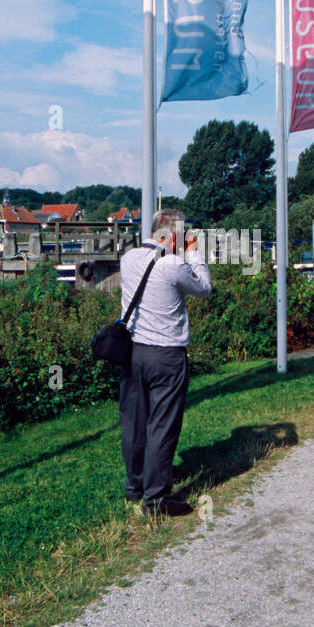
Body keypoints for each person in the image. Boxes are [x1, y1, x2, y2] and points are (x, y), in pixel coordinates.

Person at [118, 209, 211, 517]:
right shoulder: (173, 264)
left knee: (134, 422)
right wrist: (193, 253)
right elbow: (205, 289)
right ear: (174, 234)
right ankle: (156, 499)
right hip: (167, 355)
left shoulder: (128, 258)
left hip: (133, 351)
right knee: (162, 425)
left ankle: (135, 487)